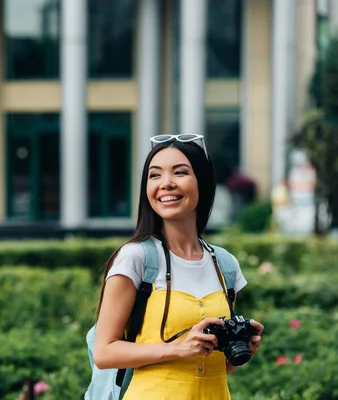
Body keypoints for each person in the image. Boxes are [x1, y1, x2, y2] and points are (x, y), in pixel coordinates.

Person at [92, 134, 264, 399]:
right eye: (155, 175)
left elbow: (202, 368)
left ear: (202, 182)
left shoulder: (225, 264)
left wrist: (240, 351)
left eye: (180, 172)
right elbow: (104, 353)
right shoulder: (136, 258)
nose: (166, 184)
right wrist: (178, 347)